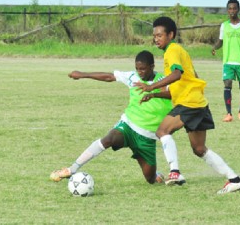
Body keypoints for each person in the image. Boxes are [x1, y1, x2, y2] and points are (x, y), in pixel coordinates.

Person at [135, 16, 240, 194]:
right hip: (197, 103)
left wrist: (151, 86)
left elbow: (177, 74)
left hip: (189, 103)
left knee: (162, 131)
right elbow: (184, 80)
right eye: (154, 35)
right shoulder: (178, 51)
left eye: (160, 35)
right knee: (199, 149)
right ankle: (234, 179)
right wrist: (154, 94)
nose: (156, 38)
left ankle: (175, 172)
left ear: (171, 34)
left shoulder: (172, 51)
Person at [50, 50, 185, 185]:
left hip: (147, 137)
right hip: (128, 126)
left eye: (143, 69)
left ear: (152, 66)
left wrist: (154, 91)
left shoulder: (162, 81)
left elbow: (174, 93)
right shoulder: (133, 77)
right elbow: (109, 77)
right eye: (138, 69)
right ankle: (71, 169)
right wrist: (82, 74)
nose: (140, 72)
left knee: (150, 179)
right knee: (109, 139)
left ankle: (154, 174)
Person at [212, 0, 240, 122]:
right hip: (228, 61)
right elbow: (220, 41)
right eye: (230, 9)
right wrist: (215, 47)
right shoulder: (224, 25)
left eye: (234, 8)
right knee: (227, 84)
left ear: (238, 9)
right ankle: (228, 113)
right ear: (227, 10)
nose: (232, 11)